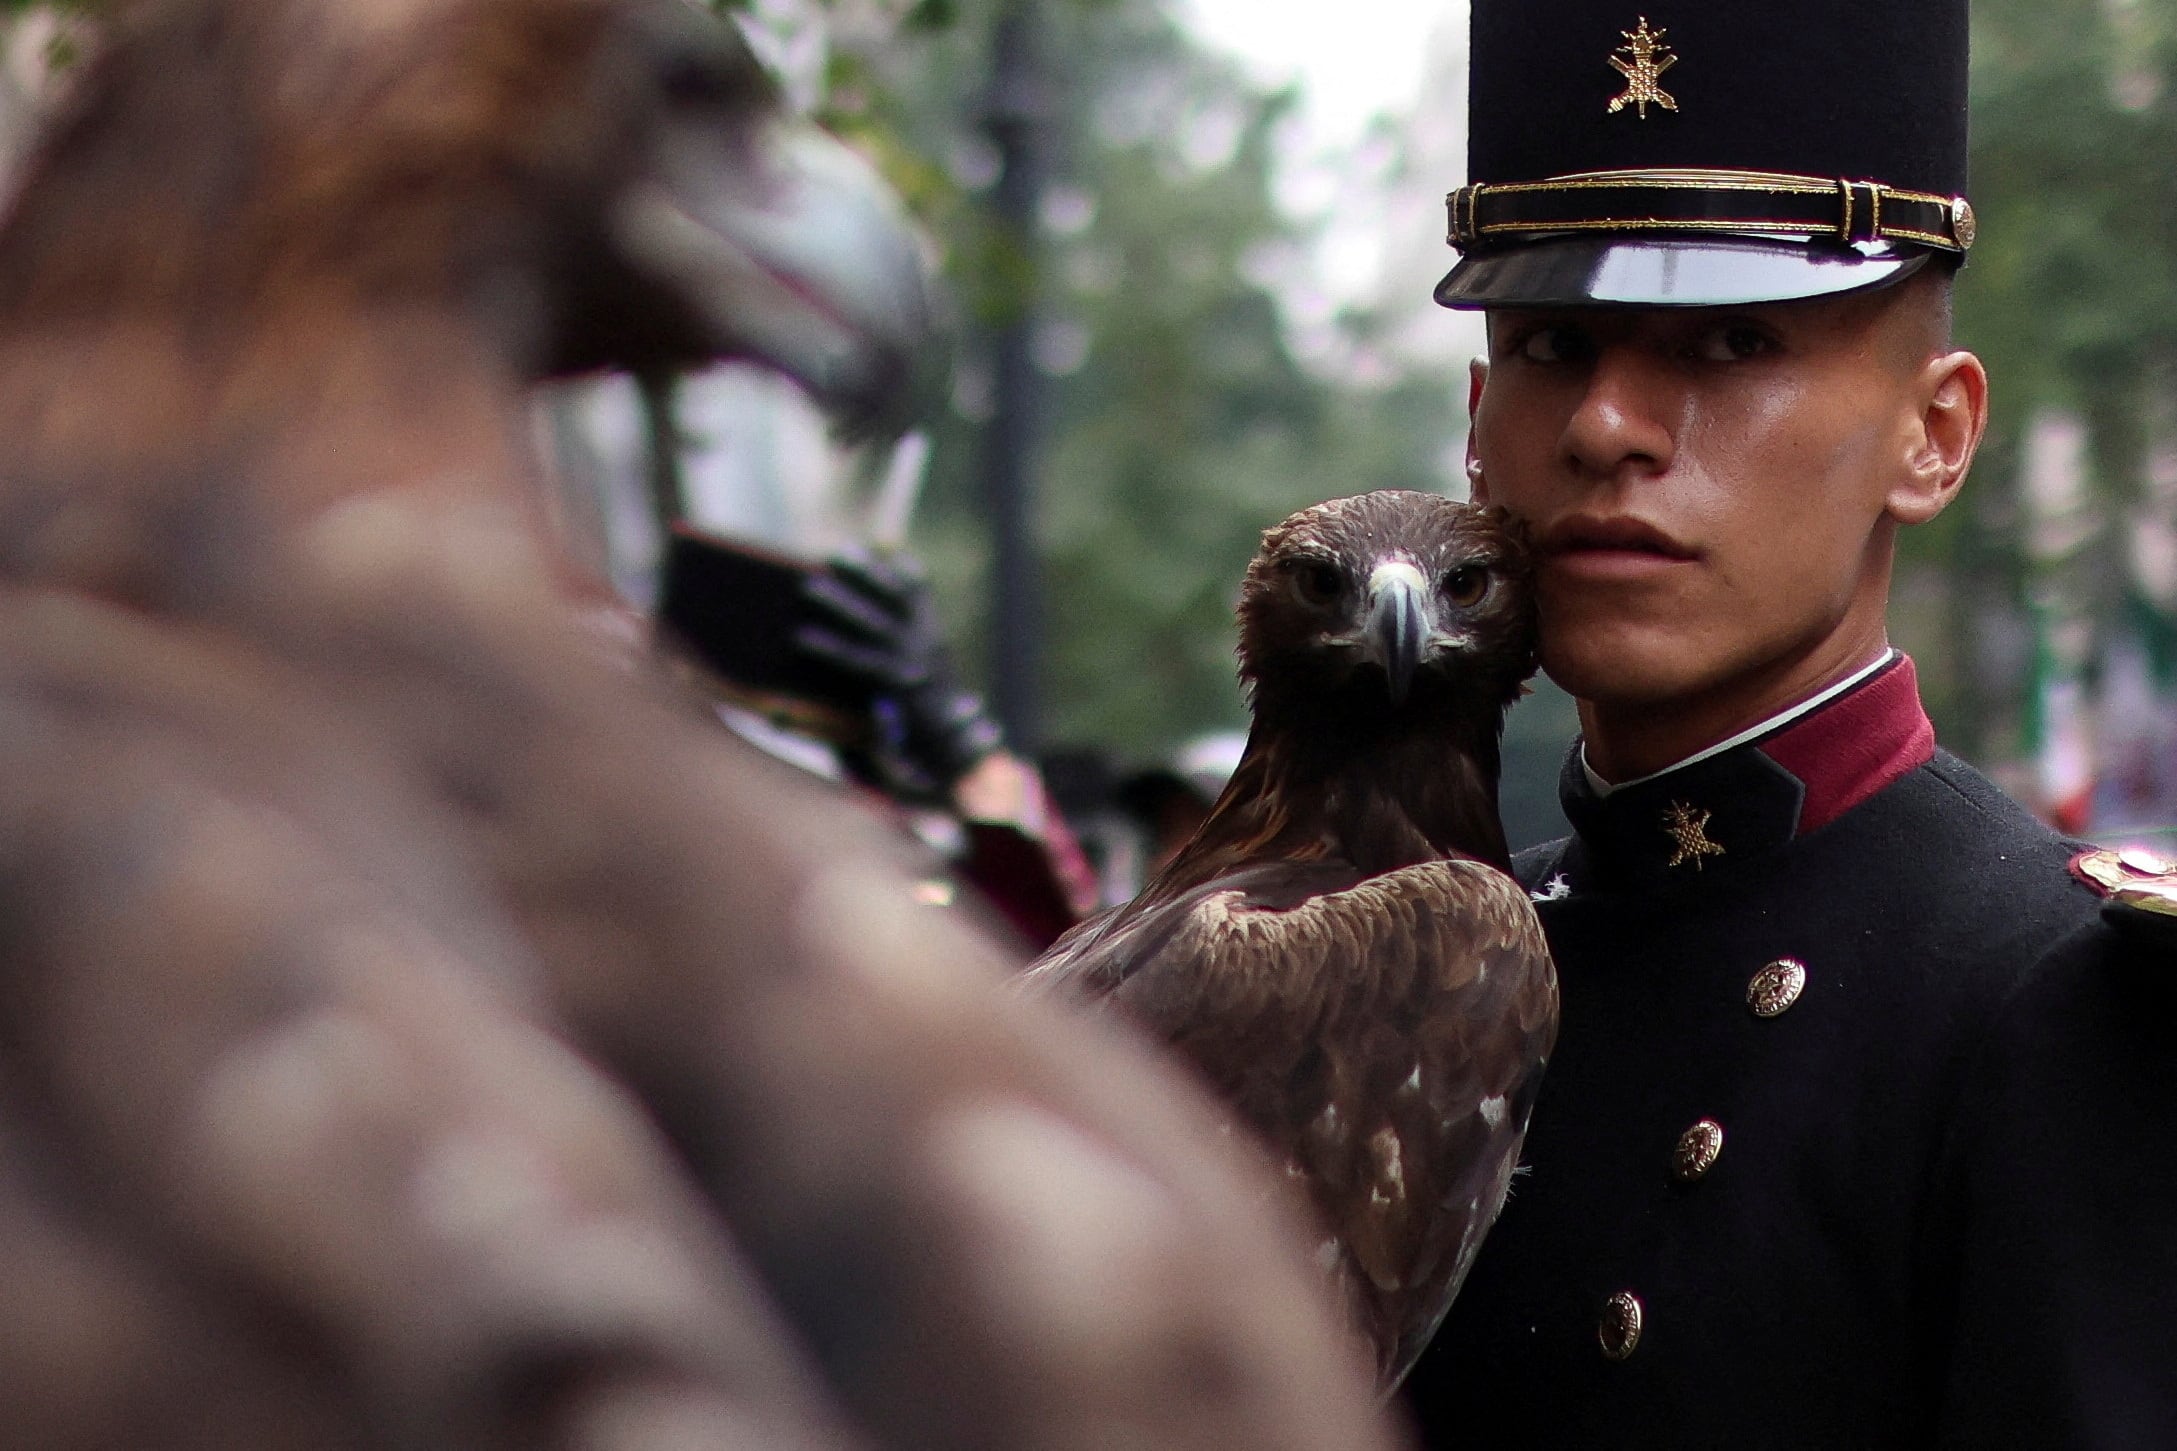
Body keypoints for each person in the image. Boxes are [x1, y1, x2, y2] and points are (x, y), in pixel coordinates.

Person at [1399, 0, 2177, 1444]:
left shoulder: (2050, 1007)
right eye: (1554, 343)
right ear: (1473, 414)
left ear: (1932, 438)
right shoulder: (1442, 963)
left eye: (1727, 344)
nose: (1606, 426)